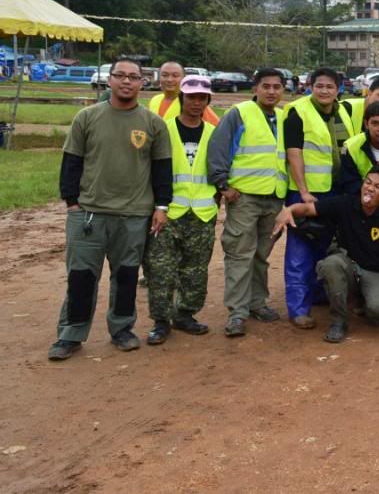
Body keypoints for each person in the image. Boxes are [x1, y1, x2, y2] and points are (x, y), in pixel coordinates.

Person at [48, 58, 172, 361]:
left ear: (144, 83)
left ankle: (122, 329)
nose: (127, 82)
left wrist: (161, 206)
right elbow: (72, 163)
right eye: (121, 76)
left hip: (133, 215)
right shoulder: (87, 117)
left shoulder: (153, 123)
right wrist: (72, 203)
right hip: (88, 214)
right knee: (81, 277)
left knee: (127, 277)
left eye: (134, 77)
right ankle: (71, 334)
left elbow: (162, 170)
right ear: (109, 80)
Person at [272, 167, 379, 343]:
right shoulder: (345, 203)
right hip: (349, 264)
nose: (370, 188)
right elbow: (307, 209)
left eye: (377, 186)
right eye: (367, 182)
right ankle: (338, 321)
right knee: (330, 265)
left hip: (377, 272)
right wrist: (289, 210)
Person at [207, 68, 288, 338]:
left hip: (274, 197)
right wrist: (223, 185)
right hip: (244, 197)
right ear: (256, 88)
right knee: (240, 253)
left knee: (262, 254)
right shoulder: (238, 114)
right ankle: (237, 312)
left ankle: (257, 303)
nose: (272, 91)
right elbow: (218, 149)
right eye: (266, 86)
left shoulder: (283, 116)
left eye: (277, 86)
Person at [142, 75, 219, 345]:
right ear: (182, 99)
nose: (196, 103)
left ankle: (185, 314)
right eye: (191, 97)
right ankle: (161, 320)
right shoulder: (163, 129)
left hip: (202, 213)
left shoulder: (214, 133)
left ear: (208, 101)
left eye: (202, 98)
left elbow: (221, 169)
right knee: (160, 269)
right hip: (168, 212)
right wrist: (156, 206)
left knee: (195, 270)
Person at [281, 67, 354, 328]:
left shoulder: (344, 111)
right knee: (300, 249)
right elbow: (294, 152)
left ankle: (319, 294)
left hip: (335, 192)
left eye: (329, 86)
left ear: (339, 89)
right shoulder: (297, 111)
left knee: (326, 245)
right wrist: (302, 190)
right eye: (319, 85)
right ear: (311, 86)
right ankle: (299, 308)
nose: (324, 91)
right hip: (307, 192)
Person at [148, 61, 220, 125]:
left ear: (183, 78)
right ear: (159, 78)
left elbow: (217, 127)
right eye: (165, 75)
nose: (169, 79)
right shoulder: (155, 100)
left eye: (175, 76)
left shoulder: (190, 102)